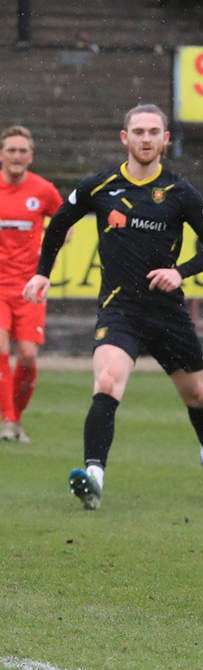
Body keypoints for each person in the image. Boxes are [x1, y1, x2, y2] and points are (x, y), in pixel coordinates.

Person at [23, 104, 203, 510]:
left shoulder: (181, 192)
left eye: (154, 132)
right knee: (107, 382)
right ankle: (94, 479)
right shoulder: (100, 186)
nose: (146, 138)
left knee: (197, 396)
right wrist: (42, 271)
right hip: (119, 309)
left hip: (168, 313)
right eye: (138, 131)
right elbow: (60, 221)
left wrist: (180, 272)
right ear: (124, 138)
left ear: (165, 139)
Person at [0, 126, 64, 443]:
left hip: (29, 288)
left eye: (22, 151)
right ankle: (8, 422)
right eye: (10, 150)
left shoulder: (43, 190)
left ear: (30, 156)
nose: (16, 156)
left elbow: (65, 224)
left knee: (27, 356)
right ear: (1, 154)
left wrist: (46, 254)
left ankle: (16, 417)